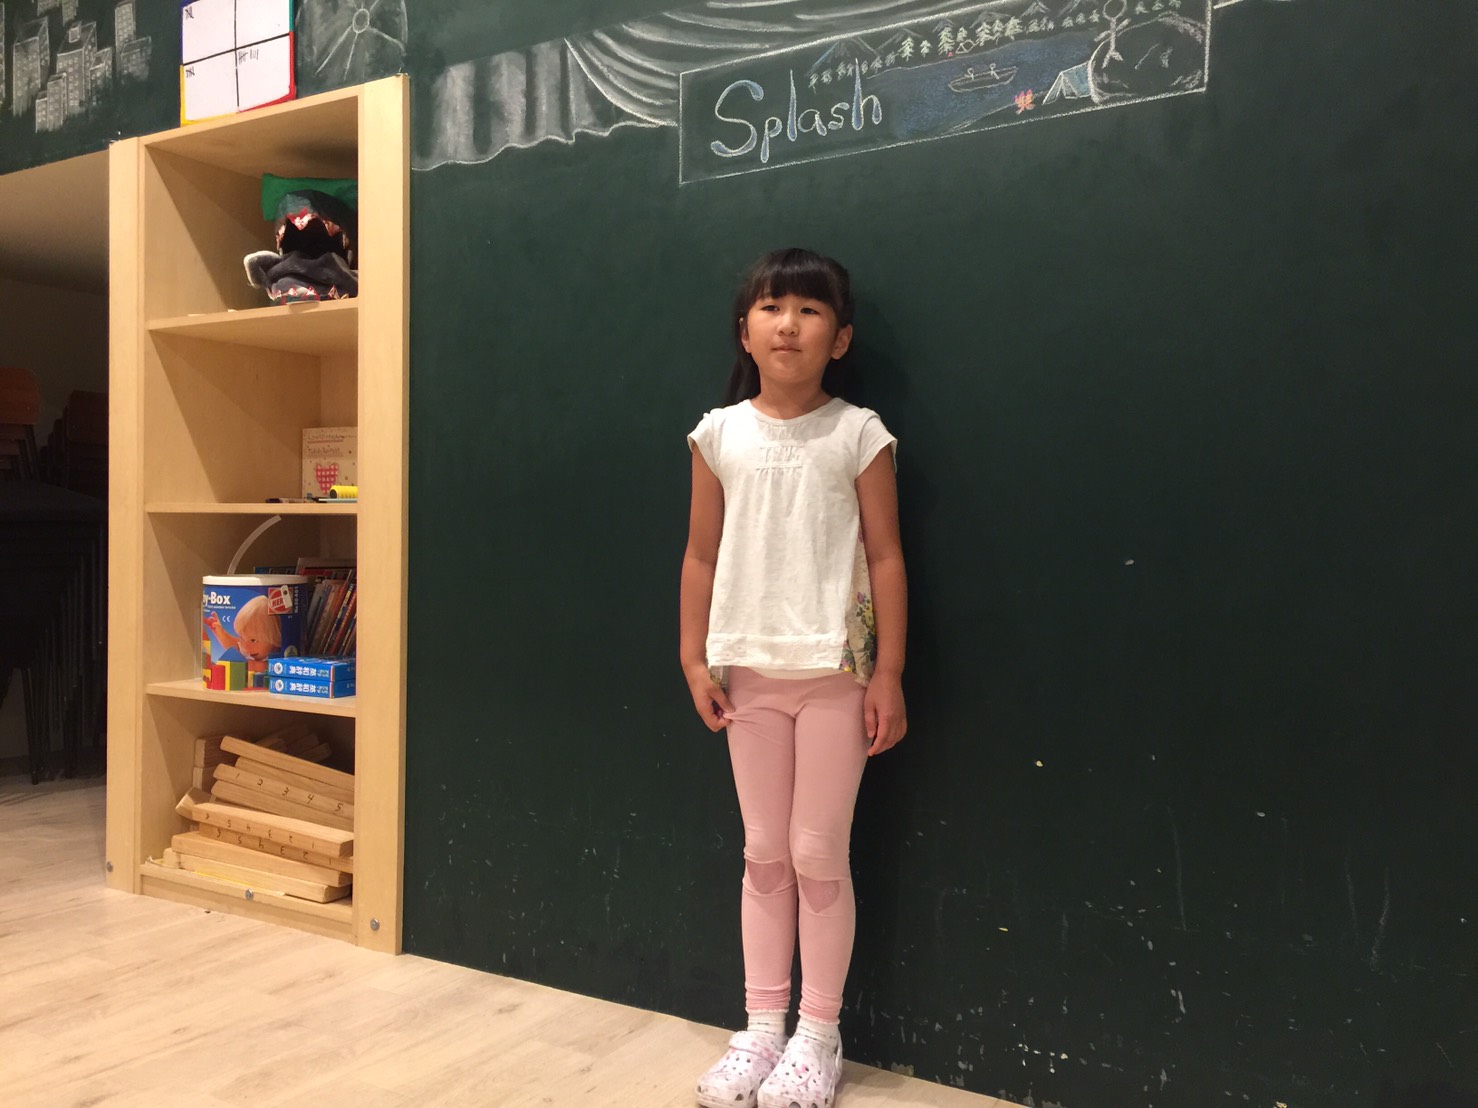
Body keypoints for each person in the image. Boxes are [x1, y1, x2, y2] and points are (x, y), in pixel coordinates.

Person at [681, 248, 908, 1108]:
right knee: (764, 853)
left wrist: (888, 672)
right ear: (744, 330)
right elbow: (700, 554)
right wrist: (693, 657)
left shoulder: (859, 433)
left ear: (839, 338)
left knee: (817, 852)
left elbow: (886, 557)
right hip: (747, 674)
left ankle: (818, 1035)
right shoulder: (717, 434)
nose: (788, 324)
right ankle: (762, 1029)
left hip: (835, 675)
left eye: (810, 310)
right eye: (772, 307)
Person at [204, 595, 283, 662]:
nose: (246, 646)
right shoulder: (251, 650)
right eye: (242, 638)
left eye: (253, 640)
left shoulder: (275, 658)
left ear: (273, 638)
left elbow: (255, 666)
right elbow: (234, 646)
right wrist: (220, 632)